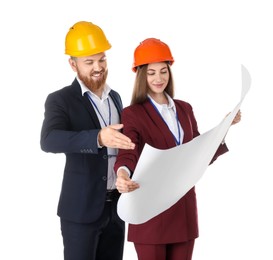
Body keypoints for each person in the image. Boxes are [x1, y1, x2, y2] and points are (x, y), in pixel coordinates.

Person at [114, 38, 241, 260]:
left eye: (163, 71)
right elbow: (128, 151)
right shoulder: (133, 113)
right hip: (150, 212)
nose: (158, 78)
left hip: (183, 211)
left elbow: (199, 154)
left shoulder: (184, 109)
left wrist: (224, 127)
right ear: (141, 75)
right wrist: (122, 173)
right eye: (151, 72)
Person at [40, 21, 135, 260]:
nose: (98, 67)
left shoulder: (116, 97)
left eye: (102, 59)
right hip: (81, 210)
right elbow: (49, 140)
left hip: (116, 206)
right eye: (89, 62)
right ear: (73, 64)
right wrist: (98, 138)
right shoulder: (61, 99)